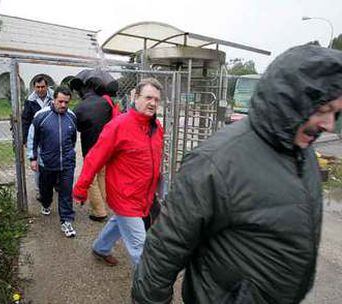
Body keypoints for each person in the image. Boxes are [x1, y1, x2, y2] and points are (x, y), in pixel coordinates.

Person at [132, 45, 342, 303]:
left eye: (336, 112)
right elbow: (163, 252)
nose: (330, 124)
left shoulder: (303, 151)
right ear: (290, 101)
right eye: (322, 110)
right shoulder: (214, 162)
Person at [73, 78, 164, 266]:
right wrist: (81, 188)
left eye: (156, 99)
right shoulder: (118, 126)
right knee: (141, 248)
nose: (153, 103)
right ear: (136, 97)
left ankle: (100, 248)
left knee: (118, 223)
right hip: (125, 196)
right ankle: (147, 293)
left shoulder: (157, 128)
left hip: (143, 195)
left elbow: (154, 162)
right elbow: (94, 158)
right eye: (148, 97)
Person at [27, 86, 77, 238]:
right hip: (46, 163)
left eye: (66, 102)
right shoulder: (41, 116)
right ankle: (46, 203)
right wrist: (33, 158)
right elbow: (33, 139)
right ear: (53, 99)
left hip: (67, 163)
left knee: (66, 192)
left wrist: (68, 153)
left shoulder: (72, 116)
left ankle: (66, 221)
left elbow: (73, 139)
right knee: (46, 190)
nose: (63, 105)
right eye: (60, 101)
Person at [72, 70, 118, 222]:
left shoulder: (78, 108)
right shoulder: (106, 102)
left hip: (90, 149)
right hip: (107, 148)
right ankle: (104, 204)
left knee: (90, 180)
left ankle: (99, 212)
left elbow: (77, 128)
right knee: (102, 177)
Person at [22, 76, 53, 197]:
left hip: (52, 136)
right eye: (37, 87)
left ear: (47, 86)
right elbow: (25, 120)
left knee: (52, 162)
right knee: (37, 165)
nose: (40, 89)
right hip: (36, 138)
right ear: (34, 87)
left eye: (43, 87)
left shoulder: (54, 98)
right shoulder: (30, 101)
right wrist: (25, 139)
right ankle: (40, 189)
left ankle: (54, 184)